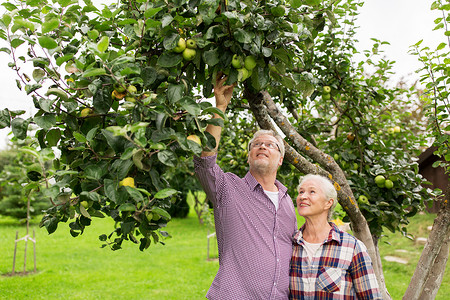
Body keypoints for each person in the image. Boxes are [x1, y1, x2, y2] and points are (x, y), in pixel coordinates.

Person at [194, 74, 297, 299]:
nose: (262, 147)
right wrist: (220, 106)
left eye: (271, 145)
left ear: (280, 160)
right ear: (249, 157)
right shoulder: (228, 189)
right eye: (256, 145)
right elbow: (204, 163)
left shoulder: (288, 202)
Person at [289, 174, 382, 299]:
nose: (302, 197)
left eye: (312, 191)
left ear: (328, 203)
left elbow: (371, 297)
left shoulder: (352, 247)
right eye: (301, 192)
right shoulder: (290, 244)